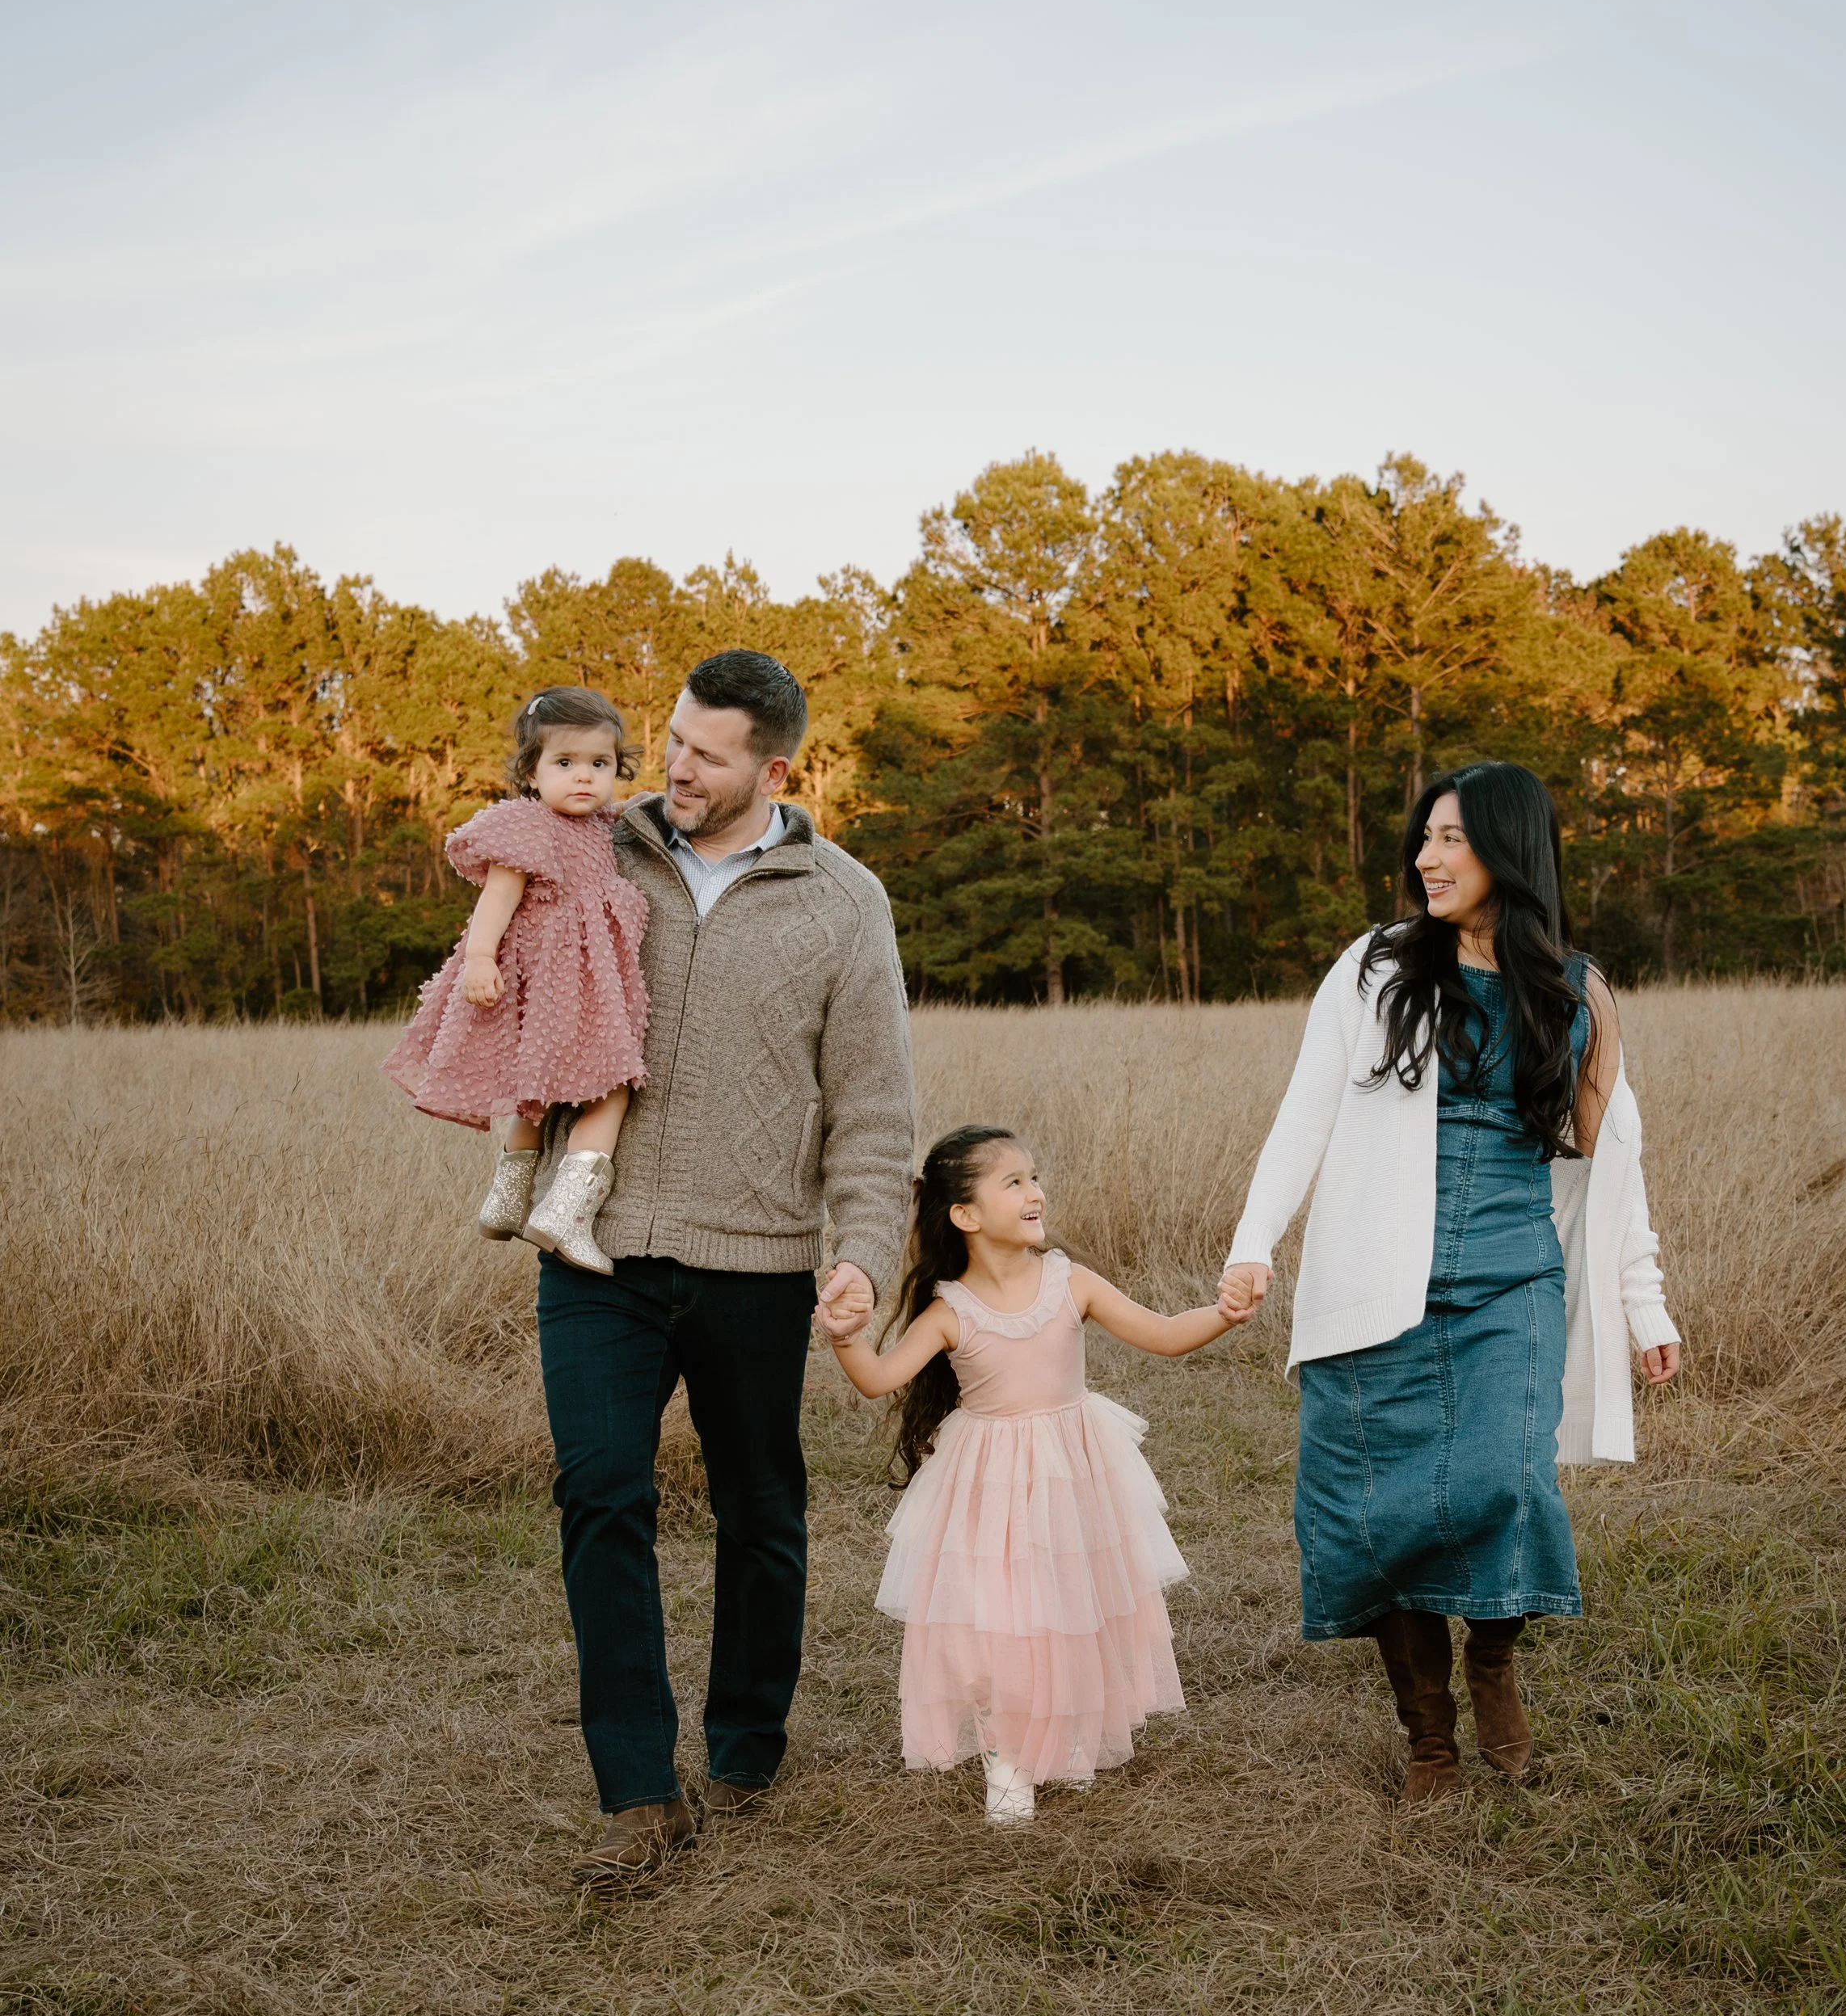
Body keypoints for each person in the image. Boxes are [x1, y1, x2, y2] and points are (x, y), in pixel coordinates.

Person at [1218, 762, 1681, 1804]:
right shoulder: (1376, 967)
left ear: (1510, 852)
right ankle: (1428, 1737)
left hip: (1511, 1280)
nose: (1426, 859)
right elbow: (1305, 1114)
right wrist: (1255, 1244)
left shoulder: (1579, 991)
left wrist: (1643, 1298)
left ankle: (1495, 1659)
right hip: (1371, 1285)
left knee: (1506, 1484)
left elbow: (1616, 1161)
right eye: (1423, 838)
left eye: (1453, 840)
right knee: (1376, 1514)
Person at [536, 649, 914, 1895]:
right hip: (596, 1246)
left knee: (763, 1511)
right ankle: (640, 1793)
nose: (672, 767)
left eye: (704, 752)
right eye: (671, 739)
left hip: (757, 1259)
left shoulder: (846, 902)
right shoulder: (600, 849)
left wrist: (861, 1254)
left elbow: (872, 1113)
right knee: (601, 1494)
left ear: (776, 767)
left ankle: (747, 1750)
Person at [832, 1123, 1248, 1825]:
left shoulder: (1069, 1282)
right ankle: (1009, 1758)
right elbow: (877, 1379)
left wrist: (1226, 1313)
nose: (1036, 1192)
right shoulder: (949, 1311)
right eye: (1014, 1182)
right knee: (1000, 1622)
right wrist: (845, 1336)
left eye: (1034, 1177)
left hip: (1074, 1470)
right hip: (988, 1482)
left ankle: (1066, 1737)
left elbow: (1166, 1335)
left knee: (1068, 1608)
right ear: (965, 1215)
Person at [383, 686, 651, 1268]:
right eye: (565, 763)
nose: (584, 777)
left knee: (535, 1094)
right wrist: (479, 958)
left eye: (599, 764)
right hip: (554, 986)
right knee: (611, 1088)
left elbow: (641, 809)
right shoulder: (528, 826)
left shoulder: (607, 825)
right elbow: (496, 900)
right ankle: (567, 1212)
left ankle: (508, 1201)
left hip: (576, 986)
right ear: (531, 771)